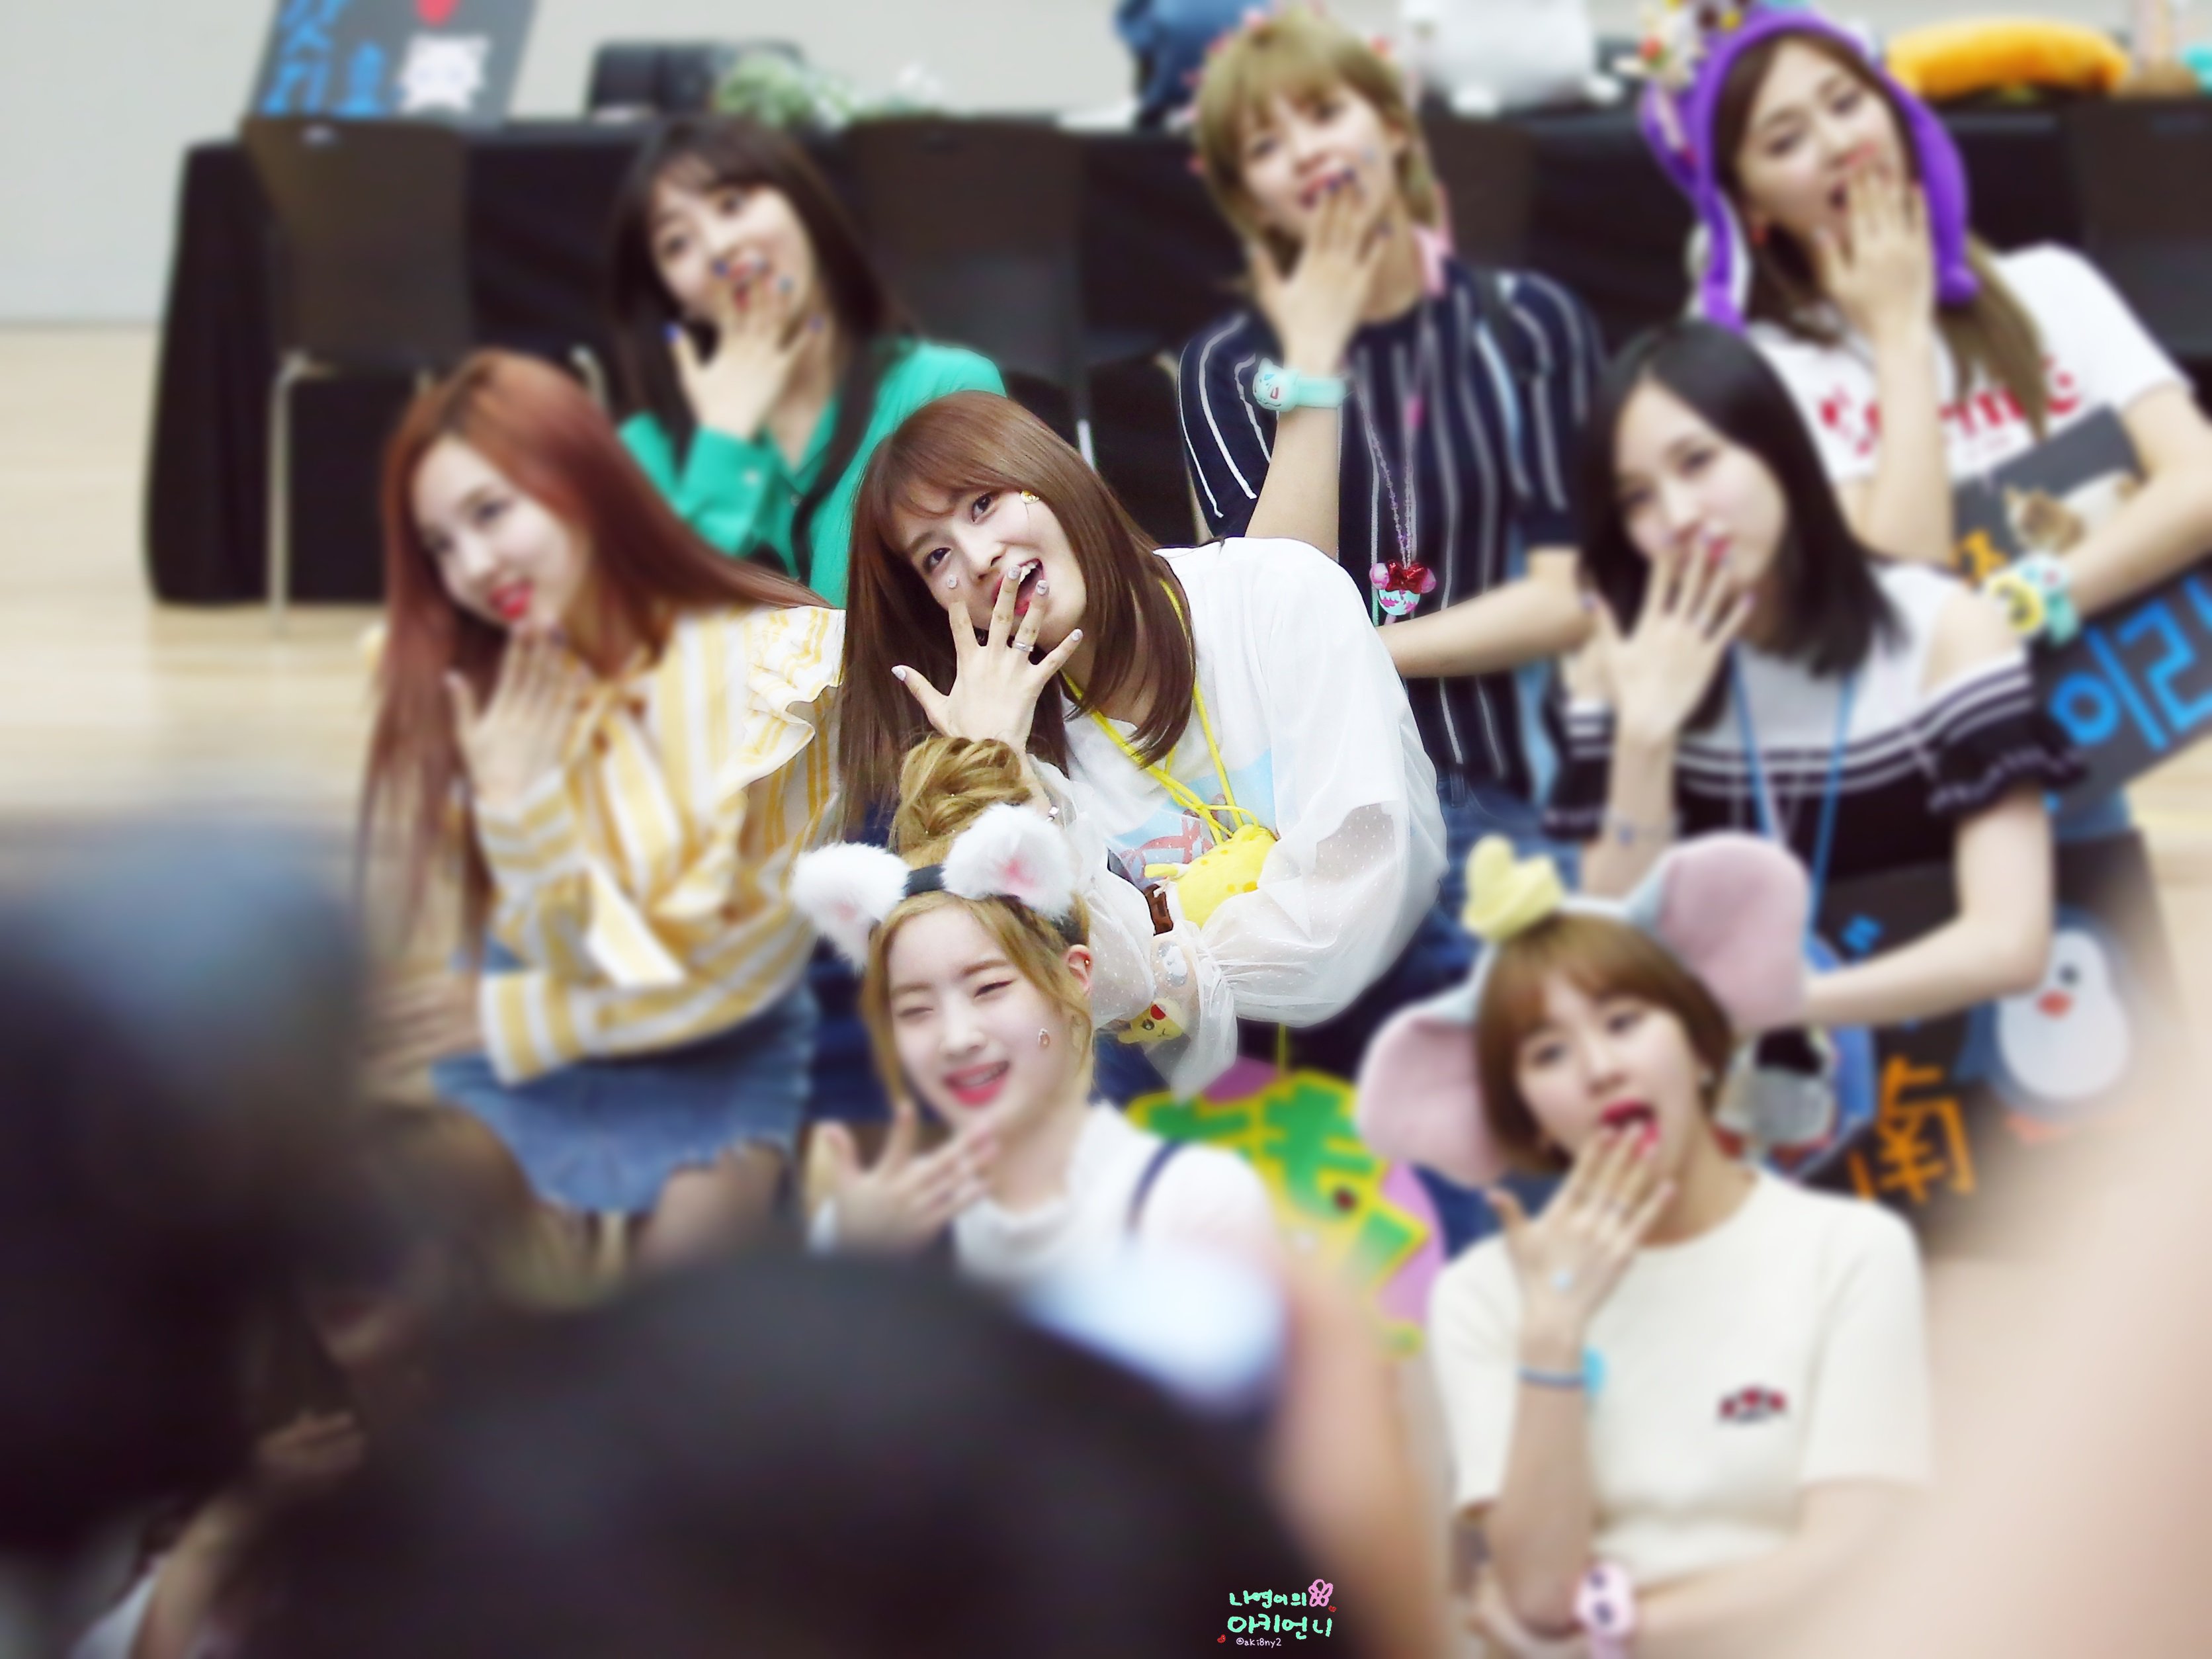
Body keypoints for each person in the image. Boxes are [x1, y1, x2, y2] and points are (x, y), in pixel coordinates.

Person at [1357, 833, 1932, 1658]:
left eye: (1623, 1022)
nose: (1599, 1068)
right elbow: (1538, 1596)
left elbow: (1851, 1553)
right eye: (1547, 1052)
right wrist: (1551, 1336)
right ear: (1522, 1112)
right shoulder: (1483, 1294)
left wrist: (1611, 1637)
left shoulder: (1848, 1251)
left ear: (1700, 1041)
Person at [361, 349, 841, 1267]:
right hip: (530, 1018)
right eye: (440, 545)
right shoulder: (478, 679)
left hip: (713, 1035)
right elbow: (563, 945)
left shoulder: (780, 664)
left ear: (578, 477)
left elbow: (737, 972)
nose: (473, 566)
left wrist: (513, 1020)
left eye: (489, 513)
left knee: (675, 1322)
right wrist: (518, 810)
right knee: (470, 1297)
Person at [839, 390, 1445, 1094]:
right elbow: (1076, 988)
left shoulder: (1278, 596)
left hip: (1412, 1018)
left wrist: (1162, 968)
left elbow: (1355, 911)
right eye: (936, 555)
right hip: (1216, 1093)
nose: (977, 559)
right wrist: (1003, 778)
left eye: (982, 505)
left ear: (1049, 474)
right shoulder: (1013, 737)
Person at [1549, 322, 2078, 1032]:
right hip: (1729, 1082)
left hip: (1943, 1058)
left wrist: (1780, 1008)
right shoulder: (1617, 660)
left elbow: (2009, 945)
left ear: (1779, 450)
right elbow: (1619, 948)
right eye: (1636, 499)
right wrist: (1645, 738)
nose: (1677, 517)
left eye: (1698, 462)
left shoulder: (1943, 631)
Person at [1180, 6, 1600, 887]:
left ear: (1396, 128)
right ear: (1246, 197)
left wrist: (1360, 652)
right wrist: (1314, 364)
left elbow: (1569, 597)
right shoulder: (1226, 364)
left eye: (1325, 113)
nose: (1305, 152)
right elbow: (1273, 624)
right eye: (1265, 145)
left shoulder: (1529, 324)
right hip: (1347, 810)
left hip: (1534, 785)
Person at [1644, 5, 2212, 641]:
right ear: (1747, 202)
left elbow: (2200, 484)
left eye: (1846, 103)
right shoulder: (1768, 376)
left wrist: (2026, 602)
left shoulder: (2052, 284)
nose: (1840, 144)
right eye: (1786, 142)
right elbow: (1898, 600)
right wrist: (1899, 335)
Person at [76, 1107, 566, 1659]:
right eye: (322, 1237)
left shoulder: (543, 1485)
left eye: (375, 1232)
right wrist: (225, 1531)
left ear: (470, 1251)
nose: (339, 1268)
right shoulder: (258, 1482)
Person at [791, 735, 1278, 1285]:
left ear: (1075, 976)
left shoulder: (1193, 1205)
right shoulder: (870, 1227)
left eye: (989, 988)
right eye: (915, 1009)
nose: (958, 1037)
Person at [605, 114, 1003, 606]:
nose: (720, 247)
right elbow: (659, 633)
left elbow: (988, 613)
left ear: (804, 208)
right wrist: (723, 441)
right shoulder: (643, 454)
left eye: (732, 204)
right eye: (676, 243)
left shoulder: (943, 390)